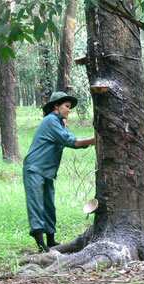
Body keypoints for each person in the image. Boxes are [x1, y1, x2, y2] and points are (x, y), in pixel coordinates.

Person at [23, 91, 95, 253]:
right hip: (35, 168)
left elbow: (73, 139)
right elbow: (70, 141)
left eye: (70, 107)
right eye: (66, 106)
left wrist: (89, 142)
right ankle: (41, 245)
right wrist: (92, 140)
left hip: (47, 171)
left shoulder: (61, 123)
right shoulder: (50, 121)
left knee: (49, 205)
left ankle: (51, 241)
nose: (69, 110)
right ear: (56, 106)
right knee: (36, 204)